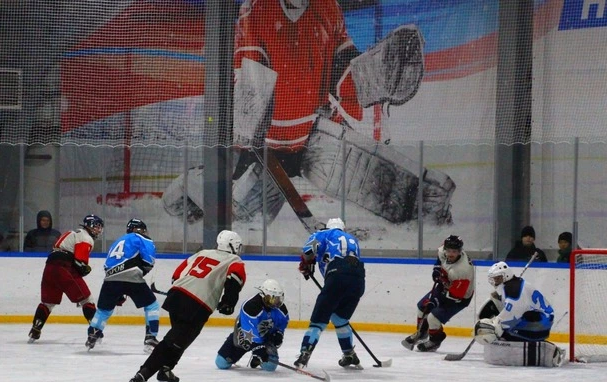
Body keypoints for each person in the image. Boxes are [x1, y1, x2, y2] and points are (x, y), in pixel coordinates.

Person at [160, 0, 451, 226]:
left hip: (312, 135)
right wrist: (247, 142)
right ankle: (189, 187)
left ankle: (433, 212)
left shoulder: (328, 7)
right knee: (245, 218)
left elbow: (341, 67)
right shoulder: (257, 10)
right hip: (267, 147)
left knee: (393, 190)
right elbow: (250, 79)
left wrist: (371, 77)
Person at [123, 230, 246, 382]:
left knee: (178, 340)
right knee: (173, 341)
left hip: (176, 295)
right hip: (196, 304)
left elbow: (177, 275)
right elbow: (235, 278)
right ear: (233, 246)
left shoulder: (201, 253)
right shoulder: (234, 260)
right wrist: (228, 303)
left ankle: (166, 370)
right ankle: (141, 376)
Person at [294, 218, 366, 369]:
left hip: (337, 274)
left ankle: (305, 353)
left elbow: (308, 251)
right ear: (343, 228)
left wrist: (306, 263)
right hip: (359, 278)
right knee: (340, 318)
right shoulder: (352, 239)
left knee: (318, 321)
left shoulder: (323, 234)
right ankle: (349, 354)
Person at [27, 214, 103, 343]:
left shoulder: (71, 233)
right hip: (64, 268)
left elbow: (58, 250)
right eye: (96, 226)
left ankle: (35, 330)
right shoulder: (86, 237)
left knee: (48, 303)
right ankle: (95, 332)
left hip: (49, 267)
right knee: (87, 300)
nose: (98, 230)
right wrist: (84, 270)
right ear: (89, 226)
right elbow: (80, 263)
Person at [86, 218, 159, 352]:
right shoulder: (141, 238)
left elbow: (108, 264)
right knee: (151, 305)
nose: (144, 232)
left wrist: (118, 289)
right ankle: (151, 337)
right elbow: (149, 260)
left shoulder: (117, 241)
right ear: (138, 229)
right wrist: (142, 271)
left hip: (110, 277)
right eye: (143, 230)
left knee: (104, 310)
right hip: (131, 275)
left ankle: (92, 335)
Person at [474, 261, 563, 367]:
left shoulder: (513, 288)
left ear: (506, 275)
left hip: (541, 323)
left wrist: (496, 325)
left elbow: (513, 313)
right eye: (494, 279)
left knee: (503, 331)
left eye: (498, 278)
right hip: (539, 320)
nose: (496, 281)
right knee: (502, 330)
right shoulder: (512, 285)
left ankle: (550, 351)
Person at [401, 235, 475, 352]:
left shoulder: (463, 270)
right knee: (422, 307)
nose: (450, 254)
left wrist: (436, 301)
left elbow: (457, 295)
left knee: (433, 317)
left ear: (460, 251)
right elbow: (439, 259)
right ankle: (422, 333)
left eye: (454, 251)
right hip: (445, 285)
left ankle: (435, 340)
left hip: (460, 297)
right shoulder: (443, 251)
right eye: (449, 251)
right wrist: (436, 270)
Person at [215, 279, 289, 372]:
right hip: (244, 336)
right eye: (272, 298)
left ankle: (258, 358)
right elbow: (249, 331)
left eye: (278, 299)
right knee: (221, 363)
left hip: (265, 337)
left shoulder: (281, 309)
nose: (275, 303)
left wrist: (278, 334)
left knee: (270, 367)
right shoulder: (251, 306)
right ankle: (254, 355)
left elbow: (282, 324)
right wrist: (258, 348)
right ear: (263, 295)